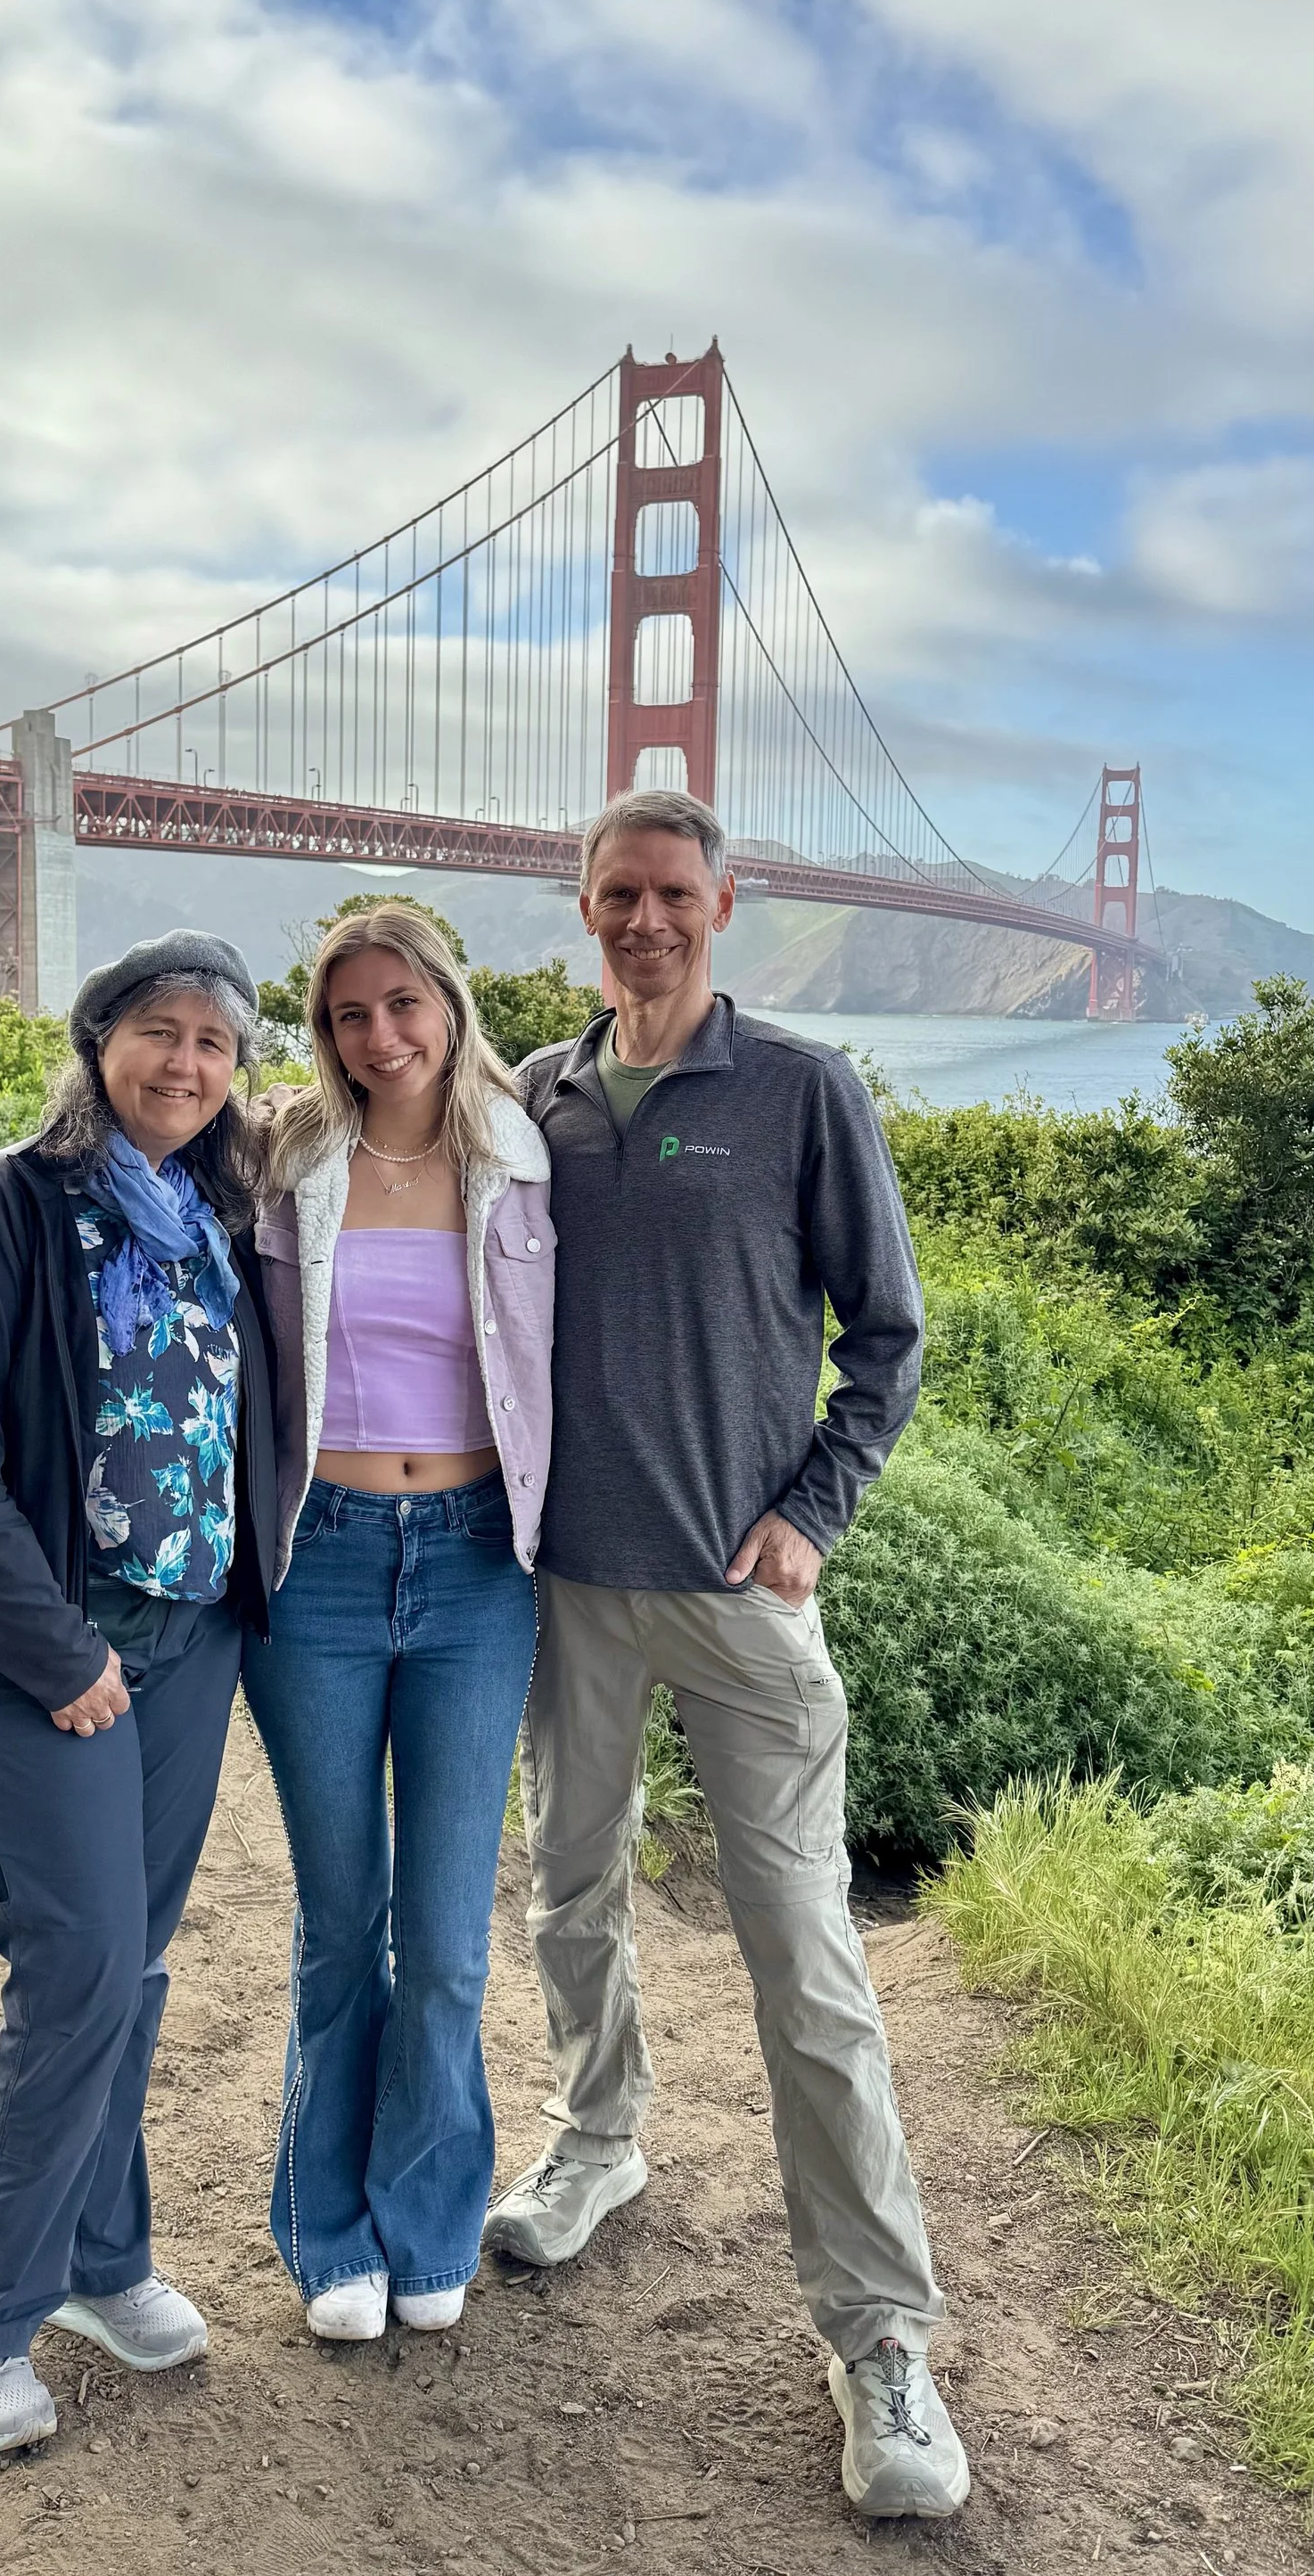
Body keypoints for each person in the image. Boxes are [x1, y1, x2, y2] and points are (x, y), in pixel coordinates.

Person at [483, 790, 969, 2522]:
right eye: (615, 893)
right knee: (566, 1891)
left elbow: (886, 1334)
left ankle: (878, 2337)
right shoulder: (528, 1099)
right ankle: (597, 2137)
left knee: (803, 1962)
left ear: (722, 904)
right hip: (566, 1590)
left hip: (737, 1594)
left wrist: (811, 1515)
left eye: (672, 894)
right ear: (583, 906)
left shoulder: (800, 1091)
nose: (643, 920)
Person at [0, 932, 278, 2460]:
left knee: (135, 1971)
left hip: (189, 1644)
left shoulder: (214, 1214)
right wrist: (61, 1655)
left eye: (217, 1045)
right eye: (159, 1033)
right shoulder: (9, 1202)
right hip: (33, 1653)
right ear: (98, 1039)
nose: (187, 1066)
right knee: (79, 1975)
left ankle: (102, 2264)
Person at [250, 903, 552, 2342]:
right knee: (340, 1921)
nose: (381, 1037)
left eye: (402, 1004)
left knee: (443, 1935)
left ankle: (427, 2216)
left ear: (450, 1000)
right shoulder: (286, 1153)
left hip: (478, 1564)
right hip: (317, 1561)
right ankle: (328, 2230)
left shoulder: (527, 1157)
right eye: (349, 1016)